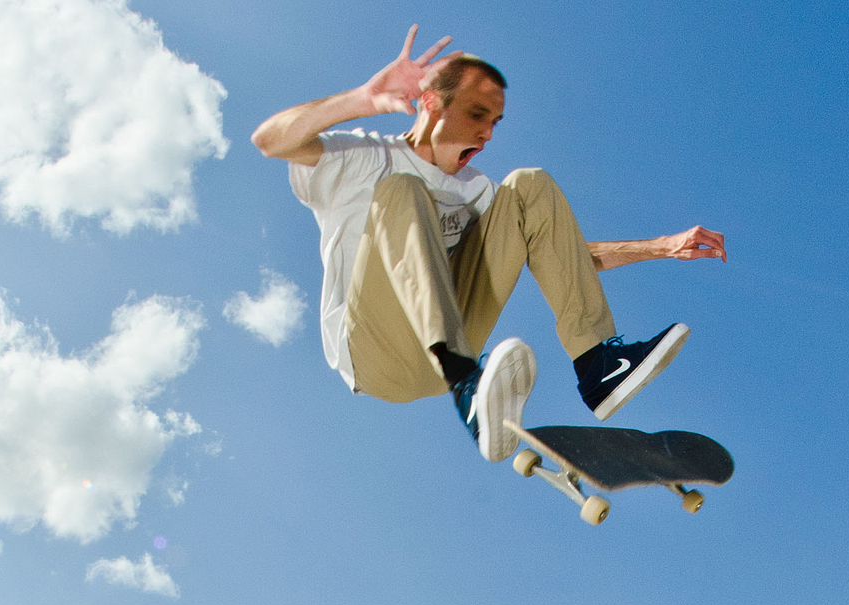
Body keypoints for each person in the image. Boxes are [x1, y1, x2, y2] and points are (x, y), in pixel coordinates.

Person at [252, 27, 726, 462]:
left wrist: (661, 245)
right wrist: (363, 97)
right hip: (375, 353)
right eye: (477, 114)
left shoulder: (478, 190)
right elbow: (270, 140)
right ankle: (467, 385)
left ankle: (598, 364)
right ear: (431, 104)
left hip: (450, 343)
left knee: (529, 186)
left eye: (496, 121)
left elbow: (559, 254)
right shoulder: (359, 158)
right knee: (402, 190)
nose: (487, 133)